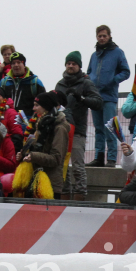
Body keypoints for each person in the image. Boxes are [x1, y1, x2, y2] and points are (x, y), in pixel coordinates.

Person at [56, 51, 104, 200]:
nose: (71, 66)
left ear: (79, 66)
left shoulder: (86, 82)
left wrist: (81, 98)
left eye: (74, 64)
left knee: (77, 165)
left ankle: (80, 196)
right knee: (62, 165)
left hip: (78, 130)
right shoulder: (60, 84)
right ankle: (64, 195)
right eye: (69, 63)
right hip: (61, 130)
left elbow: (98, 102)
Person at [12, 91, 71, 199]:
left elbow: (56, 158)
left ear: (46, 107)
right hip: (35, 182)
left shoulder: (59, 128)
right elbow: (37, 150)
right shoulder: (41, 125)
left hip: (50, 185)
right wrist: (24, 155)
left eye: (37, 105)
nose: (33, 108)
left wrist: (33, 156)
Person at [87, 25, 131, 167]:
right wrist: (89, 84)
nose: (102, 38)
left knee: (110, 127)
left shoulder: (118, 52)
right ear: (96, 37)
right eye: (99, 36)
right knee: (98, 128)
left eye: (104, 35)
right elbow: (89, 73)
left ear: (109, 36)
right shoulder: (94, 55)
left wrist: (113, 80)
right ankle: (98, 157)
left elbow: (126, 71)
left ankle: (111, 158)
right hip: (95, 97)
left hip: (109, 97)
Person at [0, 51, 44, 119]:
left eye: (19, 62)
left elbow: (43, 103)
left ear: (24, 64)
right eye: (13, 63)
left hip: (29, 121)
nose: (16, 65)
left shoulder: (35, 82)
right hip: (8, 120)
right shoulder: (4, 82)